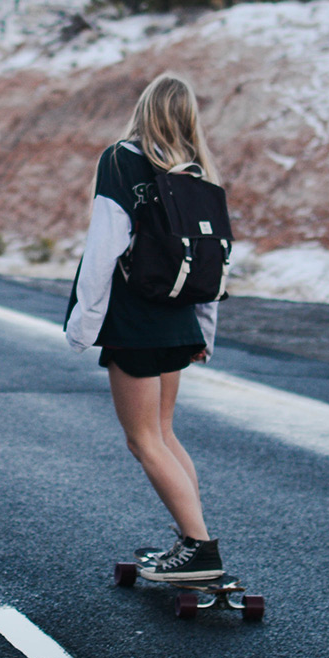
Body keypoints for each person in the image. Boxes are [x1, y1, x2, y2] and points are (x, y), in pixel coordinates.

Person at [64, 73, 225, 582]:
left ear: (144, 109)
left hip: (134, 321)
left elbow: (104, 247)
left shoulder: (121, 160)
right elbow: (215, 263)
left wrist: (82, 323)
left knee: (143, 440)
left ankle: (199, 546)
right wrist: (204, 332)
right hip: (178, 319)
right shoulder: (198, 173)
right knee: (163, 432)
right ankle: (190, 539)